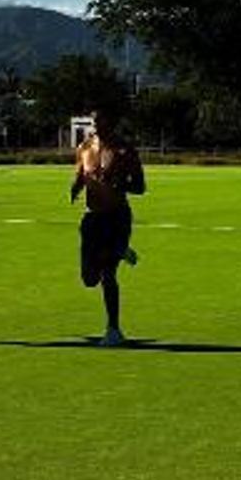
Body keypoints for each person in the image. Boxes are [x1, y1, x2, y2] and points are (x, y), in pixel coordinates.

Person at [70, 107, 145, 346]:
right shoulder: (84, 148)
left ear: (111, 123)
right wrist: (75, 188)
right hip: (92, 219)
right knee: (89, 278)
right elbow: (81, 175)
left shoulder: (125, 150)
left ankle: (113, 329)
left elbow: (140, 187)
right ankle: (120, 250)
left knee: (107, 273)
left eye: (102, 122)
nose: (97, 127)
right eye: (95, 123)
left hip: (116, 216)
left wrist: (120, 185)